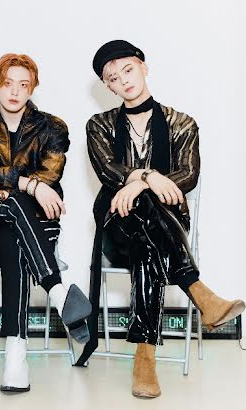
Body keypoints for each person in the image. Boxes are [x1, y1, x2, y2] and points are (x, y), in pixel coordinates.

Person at [80, 40, 245, 398]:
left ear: (143, 67)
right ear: (108, 87)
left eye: (128, 69)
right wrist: (149, 177)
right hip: (116, 228)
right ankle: (198, 291)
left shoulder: (181, 123)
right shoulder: (99, 125)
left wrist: (141, 183)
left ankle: (145, 357)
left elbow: (188, 174)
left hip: (165, 230)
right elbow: (108, 170)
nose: (124, 80)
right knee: (142, 218)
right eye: (113, 78)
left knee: (147, 240)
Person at [0, 53, 91, 393]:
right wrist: (27, 186)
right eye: (8, 83)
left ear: (33, 87)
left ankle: (15, 358)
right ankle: (58, 292)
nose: (15, 91)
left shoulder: (54, 127)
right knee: (9, 229)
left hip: (39, 226)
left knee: (14, 238)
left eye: (23, 84)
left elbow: (49, 176)